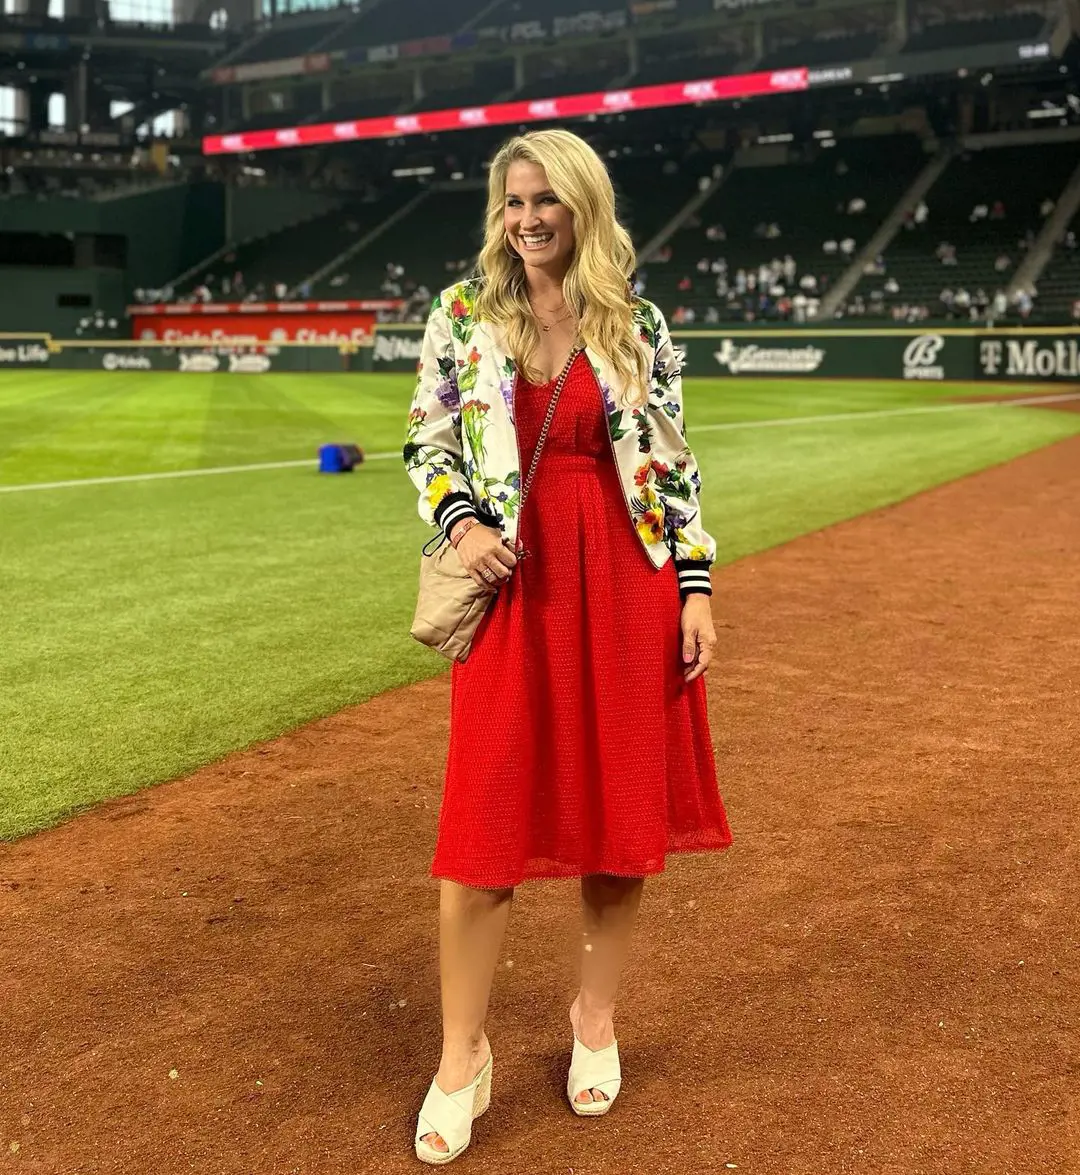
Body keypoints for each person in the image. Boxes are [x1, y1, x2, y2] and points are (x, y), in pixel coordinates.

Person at [403, 128, 732, 1165]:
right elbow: (427, 435)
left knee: (615, 813)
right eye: (512, 202)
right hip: (513, 581)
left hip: (624, 583)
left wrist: (693, 584)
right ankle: (463, 1055)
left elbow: (672, 464)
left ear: (582, 206)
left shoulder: (635, 323)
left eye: (544, 199)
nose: (527, 218)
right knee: (482, 822)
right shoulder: (461, 316)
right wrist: (461, 521)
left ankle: (595, 1016)